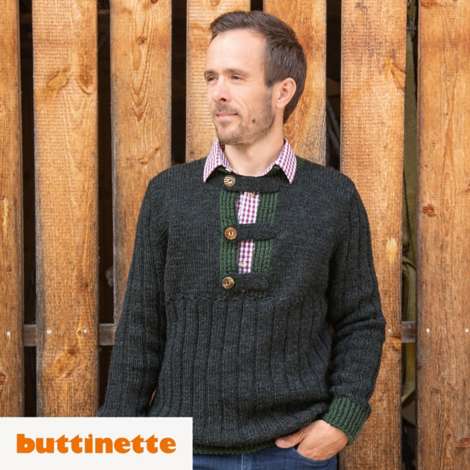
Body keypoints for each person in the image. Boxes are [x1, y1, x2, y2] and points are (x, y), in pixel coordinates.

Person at [97, 10, 387, 470]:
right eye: (211, 77)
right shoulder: (169, 195)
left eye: (236, 77)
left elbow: (361, 320)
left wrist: (341, 421)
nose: (218, 92)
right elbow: (141, 328)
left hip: (293, 456)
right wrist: (116, 440)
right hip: (182, 451)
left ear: (282, 91)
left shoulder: (333, 198)